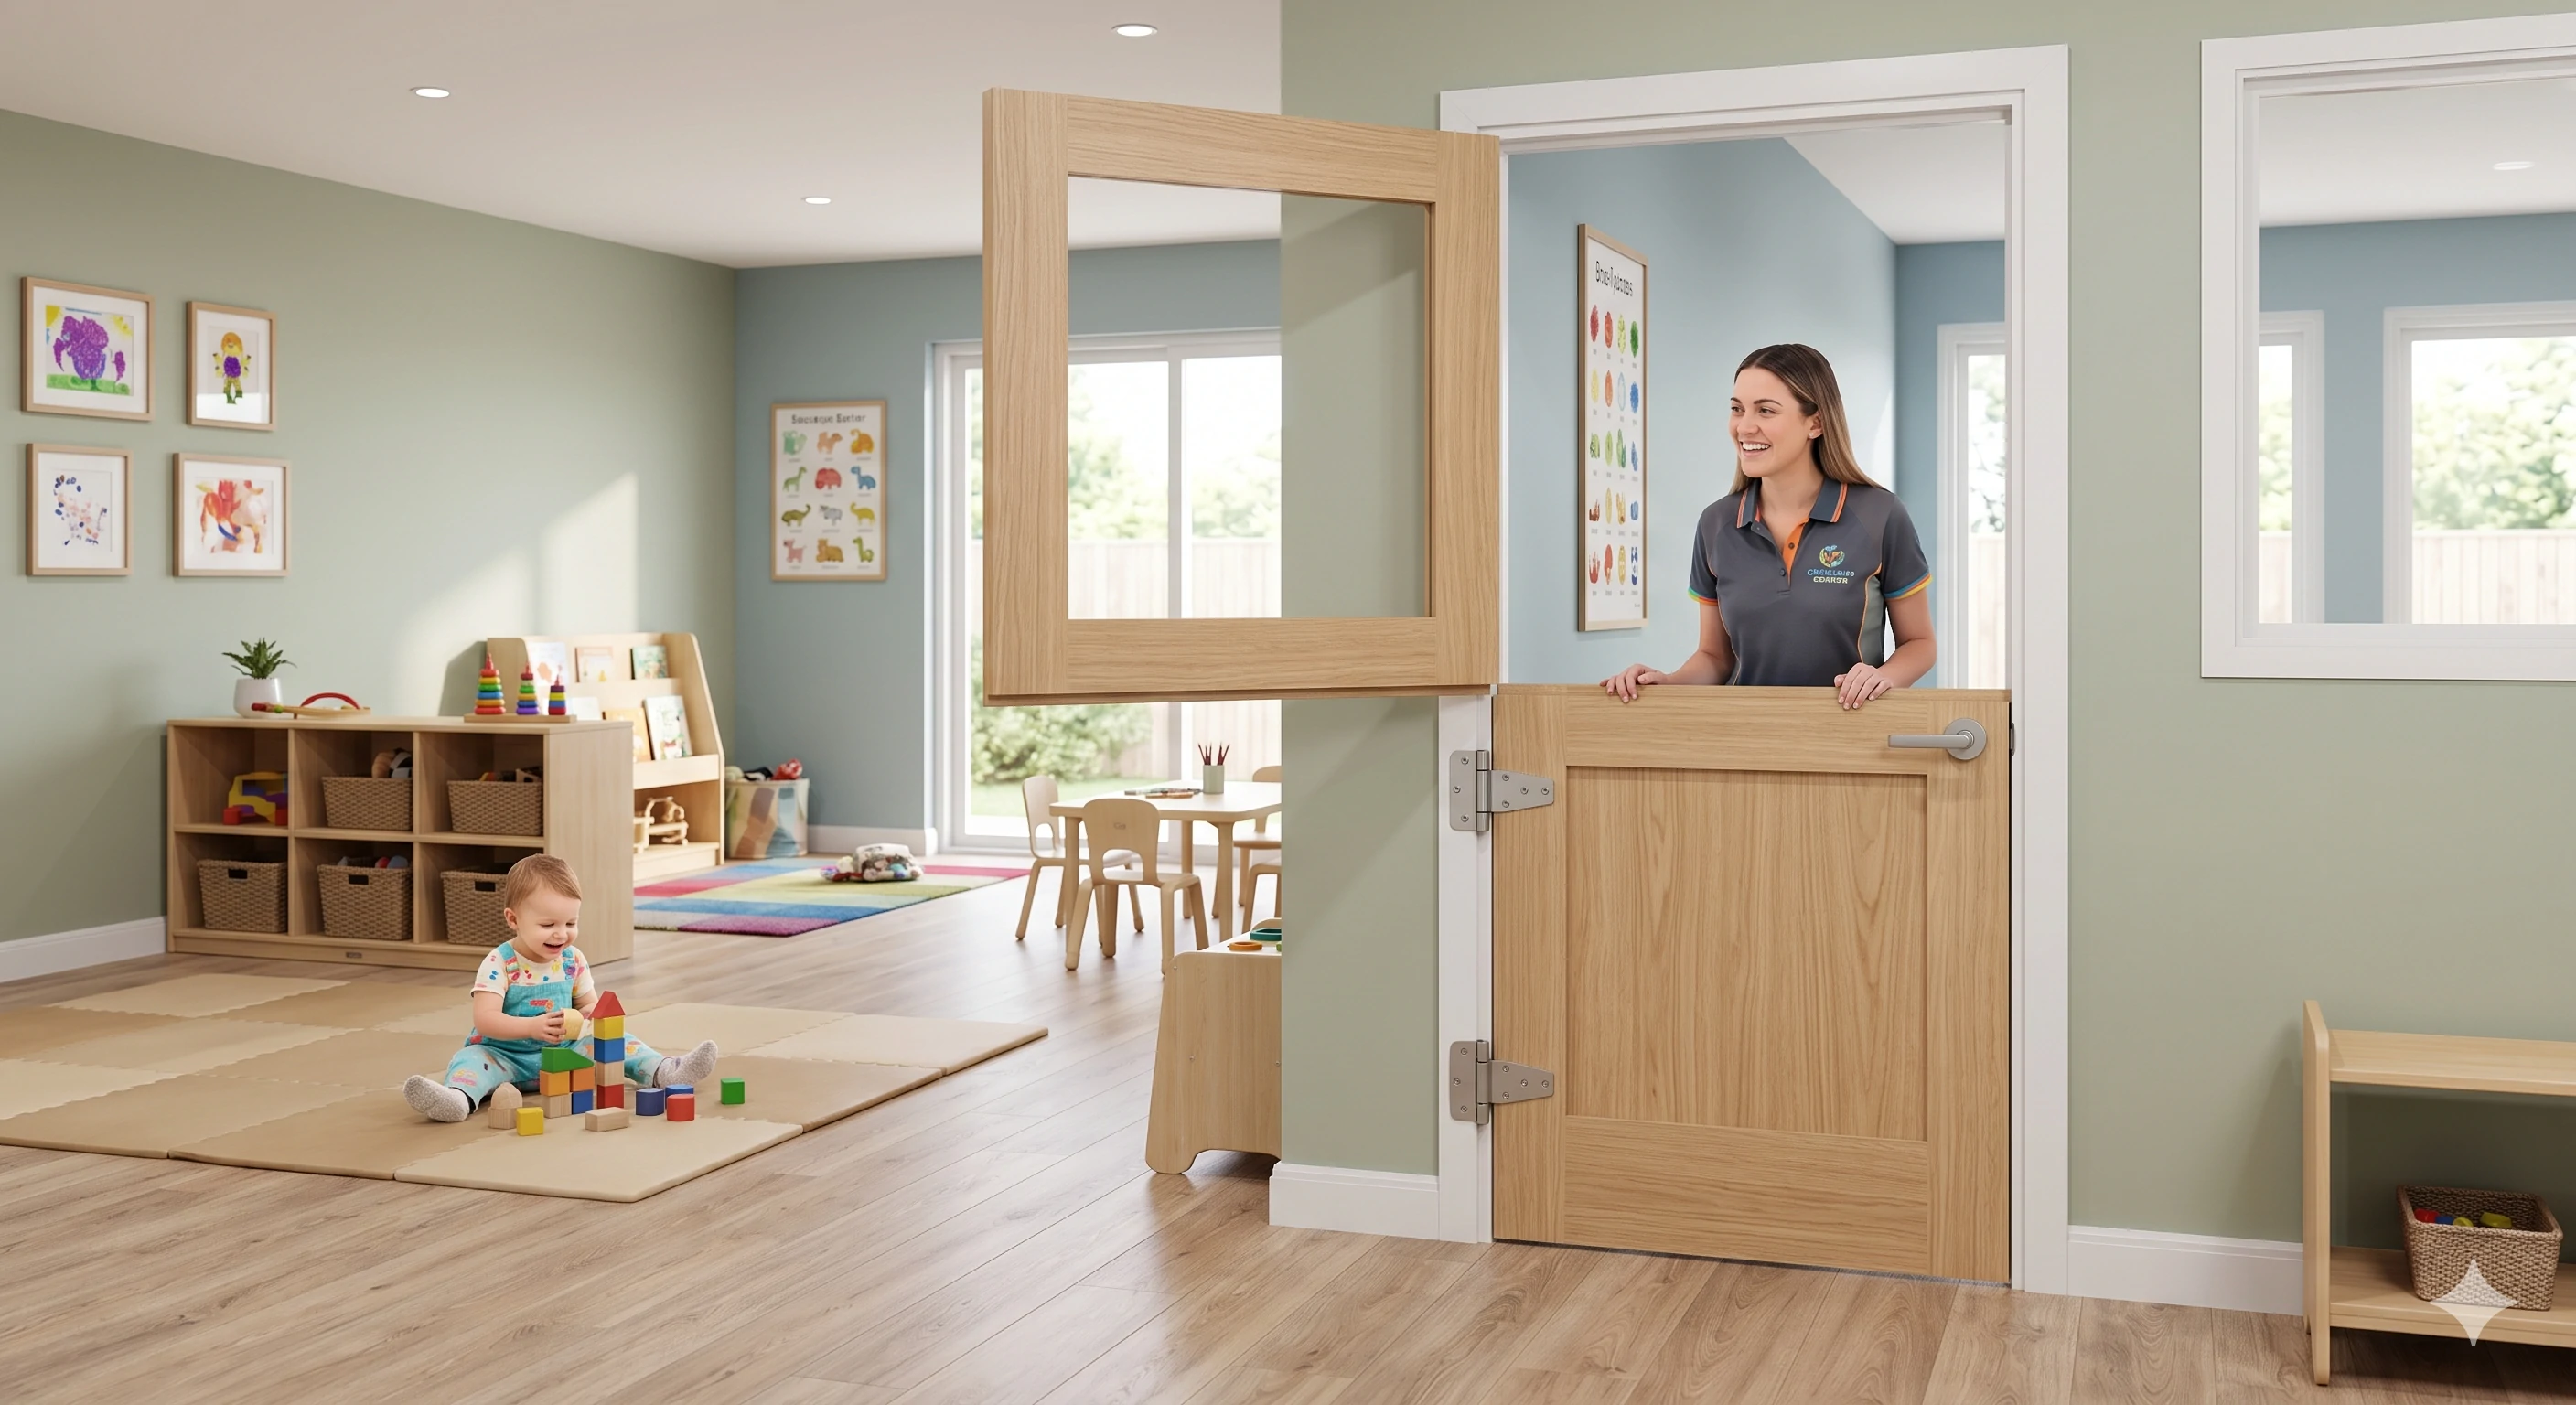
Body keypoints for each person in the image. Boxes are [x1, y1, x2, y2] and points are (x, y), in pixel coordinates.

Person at [1603, 343, 1933, 710]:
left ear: (1816, 423)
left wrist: (1884, 676)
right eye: (1736, 409)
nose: (1744, 426)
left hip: (1851, 736)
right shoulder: (1716, 524)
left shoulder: (1880, 514)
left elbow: (1919, 643)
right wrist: (1667, 683)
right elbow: (1715, 657)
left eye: (1765, 410)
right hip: (1748, 738)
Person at [402, 853, 716, 1122]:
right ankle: (458, 1100)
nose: (561, 935)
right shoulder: (500, 962)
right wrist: (531, 1027)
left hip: (565, 1055)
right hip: (504, 1056)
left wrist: (597, 1014)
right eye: (548, 925)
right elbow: (485, 1020)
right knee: (469, 1059)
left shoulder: (573, 961)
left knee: (619, 1042)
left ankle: (666, 1072)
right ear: (513, 919)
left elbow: (588, 1006)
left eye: (570, 923)